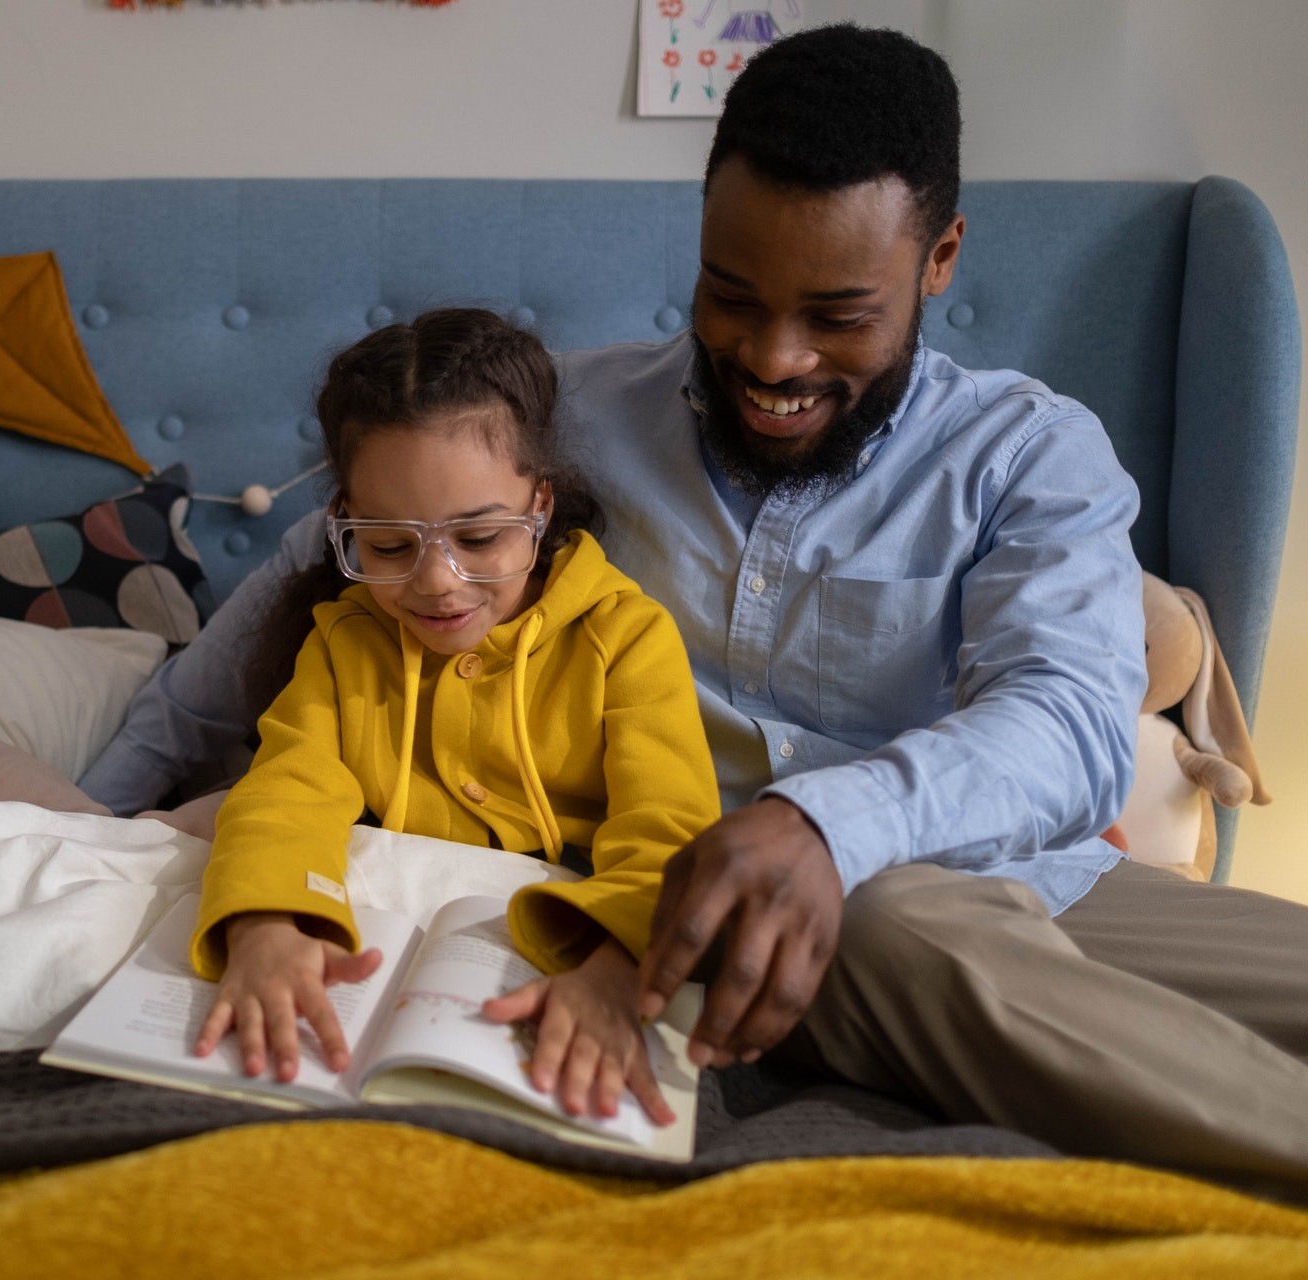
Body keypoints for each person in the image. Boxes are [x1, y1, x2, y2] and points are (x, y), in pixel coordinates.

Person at [82, 25, 1308, 1199]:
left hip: (1040, 879)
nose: (773, 356)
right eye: (731, 294)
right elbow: (335, 551)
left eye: (838, 315)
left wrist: (823, 822)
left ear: (939, 260)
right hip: (808, 922)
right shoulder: (570, 421)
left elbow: (1075, 724)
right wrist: (94, 807)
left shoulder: (1030, 451)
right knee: (883, 921)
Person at [186, 308, 720, 1124]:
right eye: (391, 546)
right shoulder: (345, 643)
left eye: (479, 537)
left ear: (540, 506)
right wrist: (263, 923)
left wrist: (619, 967)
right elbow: (285, 790)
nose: (437, 583)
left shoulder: (627, 636)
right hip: (386, 945)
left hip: (560, 946)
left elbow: (671, 831)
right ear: (343, 523)